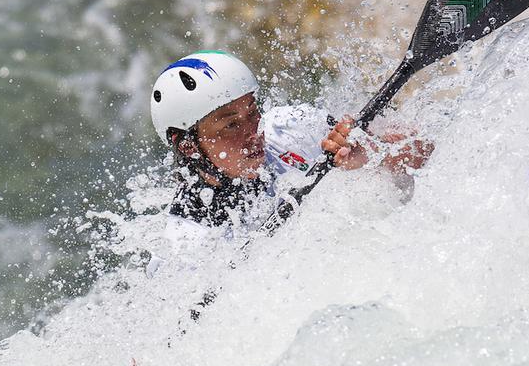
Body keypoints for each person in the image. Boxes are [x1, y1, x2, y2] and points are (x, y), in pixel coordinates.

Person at [150, 50, 432, 246]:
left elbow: (426, 149)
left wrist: (369, 152)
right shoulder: (188, 239)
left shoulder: (291, 127)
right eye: (231, 125)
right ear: (188, 146)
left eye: (252, 112)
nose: (253, 133)